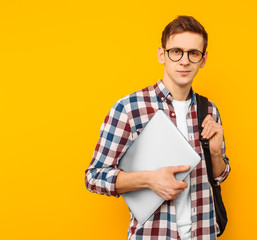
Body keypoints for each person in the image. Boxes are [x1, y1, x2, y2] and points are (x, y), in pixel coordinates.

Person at [85, 15, 230, 239]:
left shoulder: (209, 110)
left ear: (203, 59)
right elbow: (94, 177)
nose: (184, 61)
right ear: (162, 54)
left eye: (193, 53)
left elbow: (219, 176)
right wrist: (149, 180)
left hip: (204, 233)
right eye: (176, 51)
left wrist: (214, 154)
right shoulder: (129, 108)